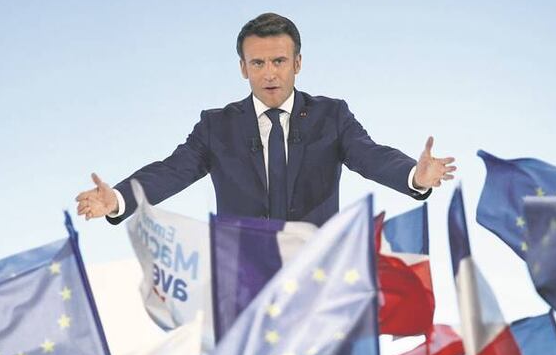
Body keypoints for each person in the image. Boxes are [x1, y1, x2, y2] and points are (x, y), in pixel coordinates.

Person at [75, 12, 455, 226]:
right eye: (258, 63)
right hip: (247, 283)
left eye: (279, 61)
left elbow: (370, 156)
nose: (270, 73)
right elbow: (171, 171)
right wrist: (119, 199)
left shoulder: (331, 115)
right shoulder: (216, 127)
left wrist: (414, 176)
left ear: (298, 63)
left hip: (318, 280)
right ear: (243, 68)